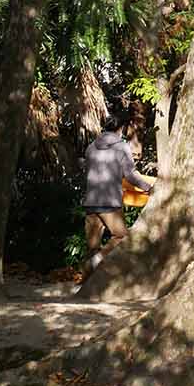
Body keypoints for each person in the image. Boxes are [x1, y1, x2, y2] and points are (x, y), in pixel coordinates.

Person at [82, 113, 155, 270]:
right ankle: (97, 261)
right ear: (120, 128)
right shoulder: (122, 147)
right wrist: (148, 187)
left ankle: (85, 287)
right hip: (109, 202)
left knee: (91, 248)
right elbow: (130, 175)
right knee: (121, 236)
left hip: (90, 202)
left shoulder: (91, 147)